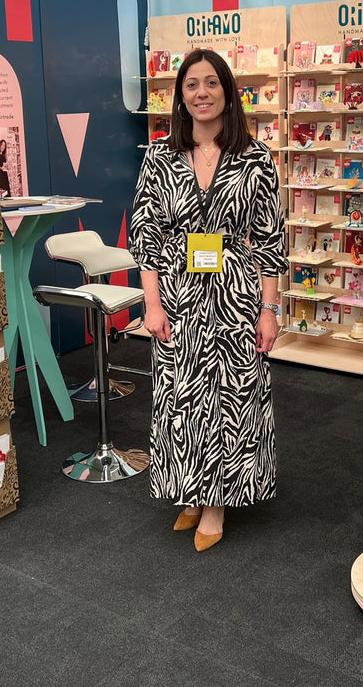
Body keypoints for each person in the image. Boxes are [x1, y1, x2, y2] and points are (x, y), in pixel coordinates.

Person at [129, 48, 287, 552]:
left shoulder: (256, 159)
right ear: (180, 96)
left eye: (212, 83)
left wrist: (269, 310)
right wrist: (152, 304)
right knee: (181, 398)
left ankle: (217, 503)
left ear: (228, 91)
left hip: (236, 295)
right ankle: (192, 491)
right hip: (178, 295)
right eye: (192, 84)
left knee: (229, 398)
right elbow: (146, 235)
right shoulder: (159, 157)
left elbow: (271, 241)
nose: (202, 93)